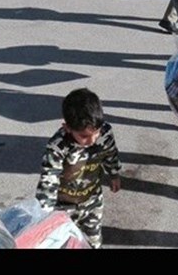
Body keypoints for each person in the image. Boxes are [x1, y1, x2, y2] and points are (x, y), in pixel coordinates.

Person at [36, 88, 122, 249]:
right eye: (84, 136)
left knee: (94, 241)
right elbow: (48, 179)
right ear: (67, 127)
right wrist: (43, 215)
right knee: (64, 242)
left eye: (95, 133)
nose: (91, 140)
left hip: (92, 201)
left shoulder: (105, 133)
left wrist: (114, 173)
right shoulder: (57, 147)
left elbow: (111, 153)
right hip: (62, 207)